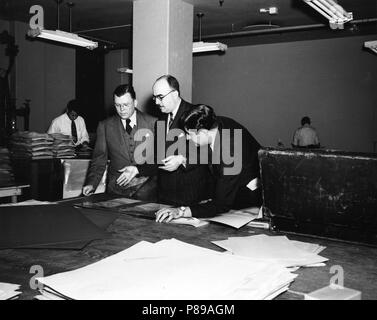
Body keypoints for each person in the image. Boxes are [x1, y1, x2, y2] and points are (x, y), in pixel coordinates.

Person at [155, 104, 262, 222]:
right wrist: (182, 159)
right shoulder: (215, 123)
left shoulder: (229, 152)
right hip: (234, 183)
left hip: (251, 195)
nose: (186, 138)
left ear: (203, 132)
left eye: (189, 134)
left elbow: (221, 204)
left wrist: (180, 211)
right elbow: (209, 148)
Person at [120, 75, 213, 206]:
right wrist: (137, 169)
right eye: (155, 97)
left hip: (191, 193)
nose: (157, 102)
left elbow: (208, 151)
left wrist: (182, 159)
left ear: (175, 94)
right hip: (166, 194)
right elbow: (159, 157)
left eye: (160, 97)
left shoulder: (196, 114)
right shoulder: (161, 120)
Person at [82, 84, 156, 197]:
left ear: (135, 103)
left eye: (126, 105)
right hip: (116, 188)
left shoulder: (154, 123)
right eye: (118, 105)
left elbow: (159, 160)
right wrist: (91, 184)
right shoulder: (105, 126)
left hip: (146, 189)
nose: (122, 109)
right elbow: (99, 159)